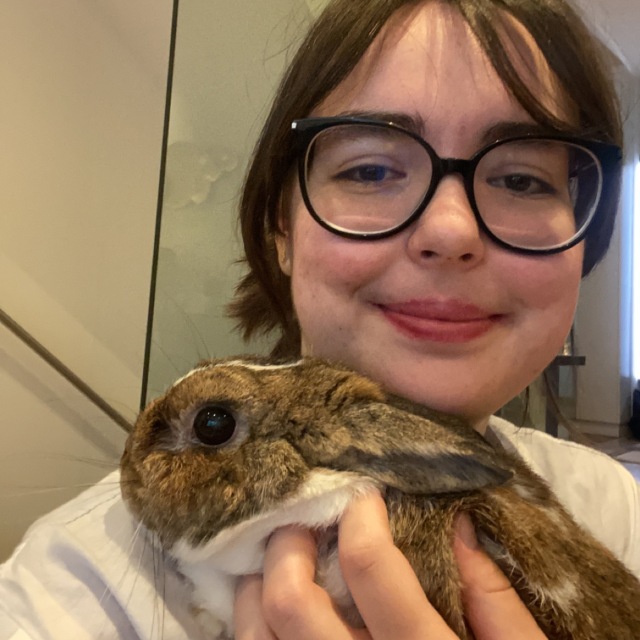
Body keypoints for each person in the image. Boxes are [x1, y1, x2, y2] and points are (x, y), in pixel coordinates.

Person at [0, 0, 637, 638]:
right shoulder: (71, 595)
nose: (451, 231)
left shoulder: (611, 506)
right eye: (370, 170)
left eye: (523, 181)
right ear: (281, 227)